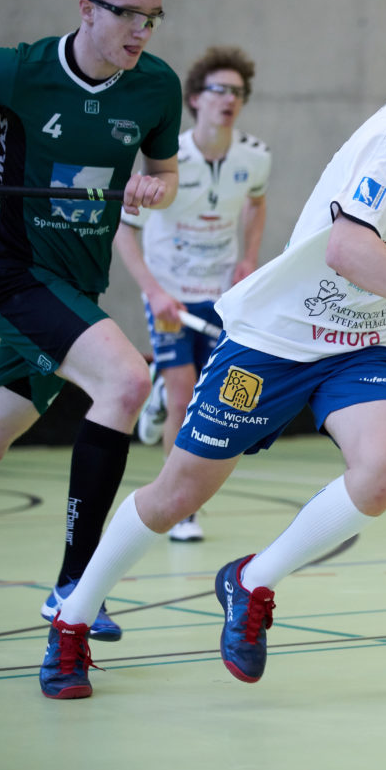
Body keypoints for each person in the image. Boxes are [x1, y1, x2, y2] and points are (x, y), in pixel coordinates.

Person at [38, 0, 386, 699]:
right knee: (177, 493)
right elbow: (349, 251)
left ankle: (250, 579)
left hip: (362, 341)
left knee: (384, 470)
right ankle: (72, 619)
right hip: (273, 342)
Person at [0, 0, 179, 642]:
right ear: (87, 9)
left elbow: (165, 179)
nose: (142, 30)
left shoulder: (156, 85)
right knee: (128, 382)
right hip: (17, 279)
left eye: (153, 17)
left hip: (78, 289)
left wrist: (151, 189)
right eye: (130, 14)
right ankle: (76, 586)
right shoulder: (17, 72)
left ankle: (74, 584)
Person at [115, 45, 271, 542]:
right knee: (183, 397)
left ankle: (163, 392)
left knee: (217, 397)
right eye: (219, 90)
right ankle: (181, 507)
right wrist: (154, 292)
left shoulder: (255, 156)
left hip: (222, 296)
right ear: (196, 99)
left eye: (238, 92)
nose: (230, 99)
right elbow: (124, 229)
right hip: (171, 296)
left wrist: (248, 256)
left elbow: (256, 204)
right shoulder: (168, 161)